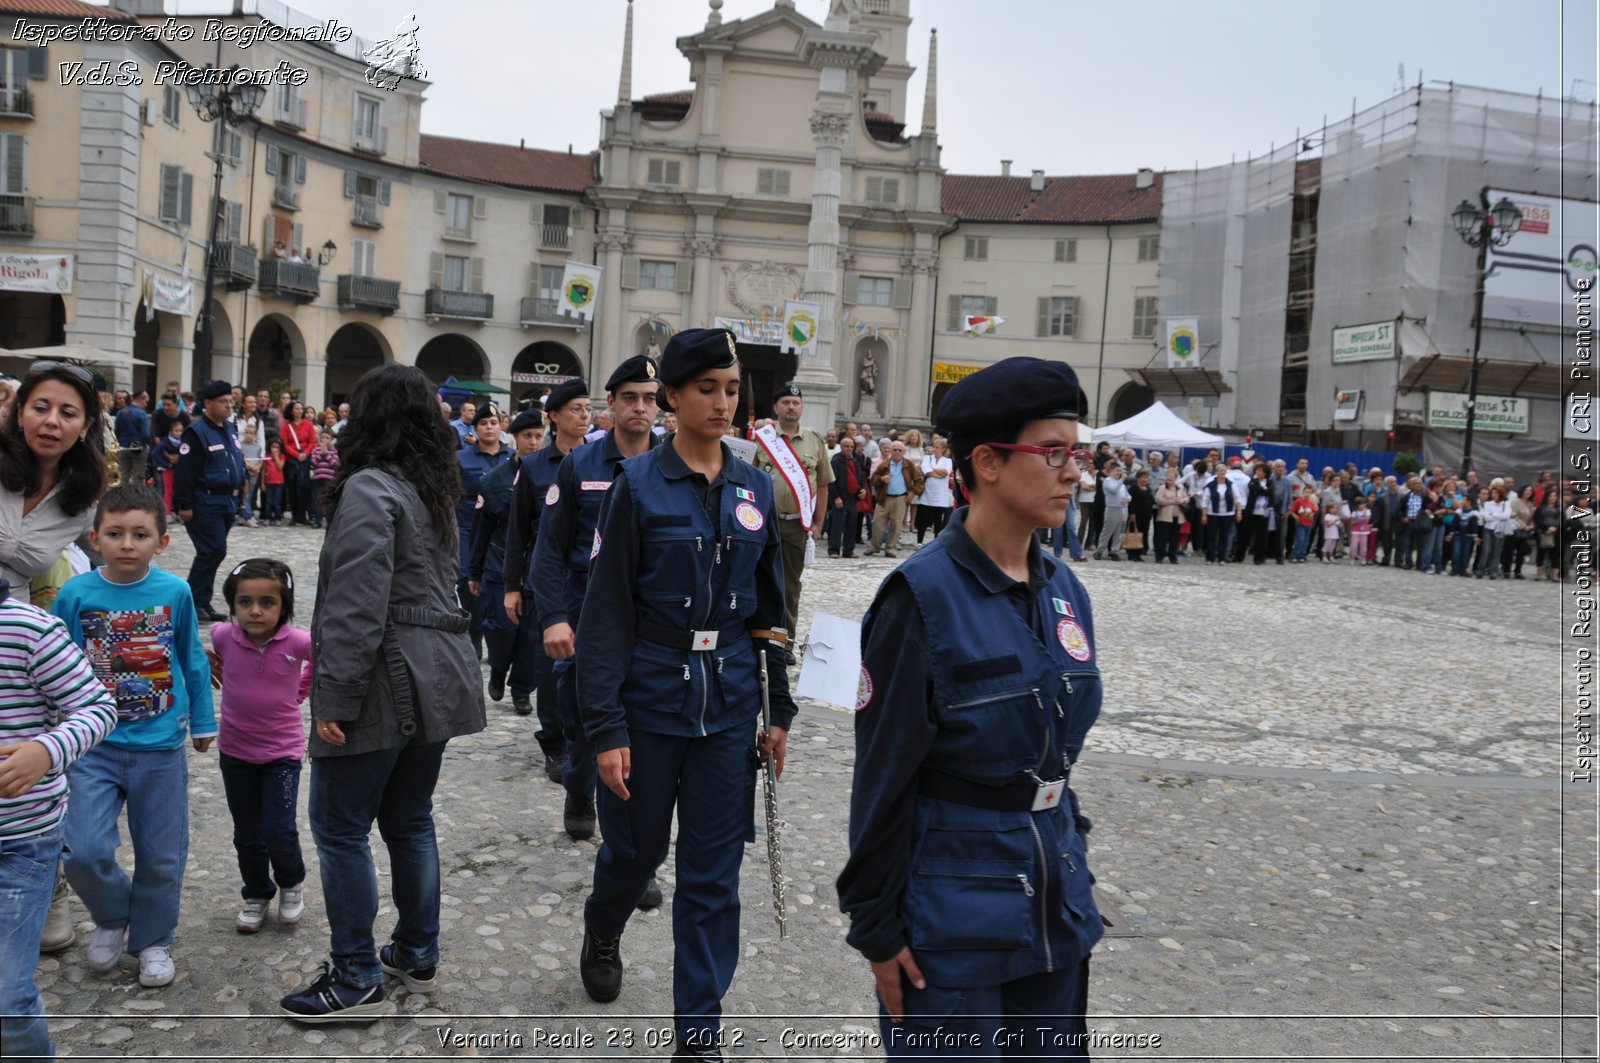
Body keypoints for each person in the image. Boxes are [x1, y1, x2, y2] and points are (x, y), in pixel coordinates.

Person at [838, 355, 1102, 1056]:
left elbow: (1057, 753)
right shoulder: (918, 600)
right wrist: (877, 927)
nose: (1073, 470)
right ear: (987, 461)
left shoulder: (1064, 590)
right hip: (951, 919)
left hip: (1054, 907)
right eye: (1053, 452)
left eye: (1076, 452)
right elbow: (883, 776)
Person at [574, 328, 795, 1058]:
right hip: (649, 701)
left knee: (710, 876)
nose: (723, 402)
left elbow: (769, 615)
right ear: (671, 396)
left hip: (728, 705)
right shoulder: (637, 486)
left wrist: (779, 711)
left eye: (732, 389)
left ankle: (697, 1035)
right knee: (636, 854)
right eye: (707, 388)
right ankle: (604, 923)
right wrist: (605, 726)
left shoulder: (753, 484)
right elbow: (605, 614)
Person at [280, 364, 486, 1023]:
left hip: (386, 674)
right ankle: (416, 950)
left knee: (339, 826)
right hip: (435, 673)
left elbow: (355, 604)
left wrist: (334, 695)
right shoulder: (427, 488)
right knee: (408, 817)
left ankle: (356, 975)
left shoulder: (371, 488)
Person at [54, 484, 217, 988]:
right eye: (116, 533)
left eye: (140, 534)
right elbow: (53, 665)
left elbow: (191, 656)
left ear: (161, 542)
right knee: (80, 849)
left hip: (160, 747)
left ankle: (152, 939)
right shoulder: (76, 595)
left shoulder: (175, 592)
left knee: (161, 853)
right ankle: (112, 914)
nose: (128, 543)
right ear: (94, 538)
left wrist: (205, 720)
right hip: (92, 747)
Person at [532, 356, 662, 869]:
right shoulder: (580, 465)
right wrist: (553, 617)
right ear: (611, 403)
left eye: (650, 398)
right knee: (585, 729)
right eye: (630, 397)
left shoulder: (671, 463)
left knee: (640, 735)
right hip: (586, 618)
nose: (640, 407)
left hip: (648, 624)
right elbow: (549, 547)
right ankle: (577, 789)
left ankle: (629, 855)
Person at [0, 582, 117, 1063]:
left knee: (6, 1001)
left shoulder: (29, 628)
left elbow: (98, 707)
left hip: (21, 842)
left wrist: (46, 750)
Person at [211, 558, 312, 934]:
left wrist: (301, 691)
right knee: (246, 831)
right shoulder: (223, 635)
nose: (255, 610)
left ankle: (291, 883)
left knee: (279, 829)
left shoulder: (299, 641)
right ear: (233, 604)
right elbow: (216, 660)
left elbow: (321, 662)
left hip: (281, 754)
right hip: (235, 751)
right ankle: (256, 891)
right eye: (245, 601)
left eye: (267, 602)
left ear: (284, 605)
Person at [504, 380, 591, 774]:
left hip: (592, 580)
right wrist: (510, 587)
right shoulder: (535, 466)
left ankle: (590, 735)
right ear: (553, 416)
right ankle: (555, 742)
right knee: (551, 665)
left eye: (587, 408)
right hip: (549, 581)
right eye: (575, 408)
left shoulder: (599, 459)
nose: (584, 415)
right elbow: (517, 531)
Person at [468, 409, 545, 710]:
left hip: (537, 567)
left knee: (530, 635)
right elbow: (481, 529)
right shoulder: (494, 479)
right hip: (500, 564)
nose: (534, 442)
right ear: (514, 437)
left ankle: (522, 689)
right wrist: (474, 569)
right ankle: (498, 668)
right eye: (528, 436)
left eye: (539, 436)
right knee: (501, 628)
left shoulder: (552, 474)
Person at [752, 383, 831, 662]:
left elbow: (822, 485)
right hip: (763, 524)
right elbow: (748, 480)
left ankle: (783, 643)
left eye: (795, 403)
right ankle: (758, 639)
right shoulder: (762, 440)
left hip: (797, 525)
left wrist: (818, 523)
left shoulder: (814, 441)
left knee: (790, 586)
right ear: (776, 407)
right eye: (785, 402)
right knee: (758, 580)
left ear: (802, 407)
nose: (791, 407)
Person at [172, 381, 246, 621]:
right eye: (223, 402)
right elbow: (185, 471)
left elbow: (236, 460)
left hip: (226, 501)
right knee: (212, 550)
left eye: (230, 402)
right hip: (205, 500)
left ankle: (203, 602)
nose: (228, 406)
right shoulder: (196, 432)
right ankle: (192, 601)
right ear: (208, 404)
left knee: (213, 553)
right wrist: (184, 504)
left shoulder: (229, 428)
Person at [455, 404, 511, 660]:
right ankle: (474, 631)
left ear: (501, 426)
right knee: (467, 581)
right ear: (475, 429)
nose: (489, 427)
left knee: (498, 583)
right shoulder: (461, 458)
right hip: (468, 526)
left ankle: (495, 634)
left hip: (503, 530)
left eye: (493, 423)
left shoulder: (512, 457)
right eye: (483, 423)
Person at [865, 440, 923, 557]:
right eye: (894, 450)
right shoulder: (885, 464)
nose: (897, 452)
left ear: (903, 452)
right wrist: (881, 479)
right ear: (891, 451)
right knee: (877, 523)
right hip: (884, 498)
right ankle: (875, 546)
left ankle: (890, 548)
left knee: (896, 525)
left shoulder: (908, 464)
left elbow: (919, 481)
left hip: (900, 498)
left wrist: (913, 492)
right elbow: (873, 479)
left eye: (899, 450)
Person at [829, 435, 869, 558]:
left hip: (853, 498)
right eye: (847, 446)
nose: (849, 448)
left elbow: (861, 477)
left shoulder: (856, 461)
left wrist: (862, 490)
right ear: (841, 447)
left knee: (851, 525)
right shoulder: (836, 461)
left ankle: (848, 550)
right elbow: (831, 481)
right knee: (837, 525)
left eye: (852, 446)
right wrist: (836, 497)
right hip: (841, 497)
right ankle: (834, 550)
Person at [280, 401, 315, 526]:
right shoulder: (286, 426)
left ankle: (302, 514)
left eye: (301, 408)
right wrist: (296, 454)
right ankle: (295, 515)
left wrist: (305, 453)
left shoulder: (308, 424)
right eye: (296, 408)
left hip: (305, 460)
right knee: (292, 488)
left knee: (304, 487)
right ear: (291, 410)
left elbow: (312, 442)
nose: (299, 411)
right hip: (292, 460)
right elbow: (284, 444)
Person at [915, 436, 955, 543]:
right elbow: (926, 470)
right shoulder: (927, 458)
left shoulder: (948, 461)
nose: (935, 449)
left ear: (943, 449)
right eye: (934, 447)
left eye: (937, 447)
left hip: (940, 495)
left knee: (938, 521)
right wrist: (937, 473)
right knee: (923, 519)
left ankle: (936, 541)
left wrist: (932, 470)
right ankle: (919, 541)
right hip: (927, 494)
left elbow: (945, 472)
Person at [113, 390, 152, 488]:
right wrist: (148, 444)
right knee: (137, 477)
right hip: (138, 448)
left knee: (123, 476)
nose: (146, 404)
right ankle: (135, 500)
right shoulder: (142, 414)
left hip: (123, 447)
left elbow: (116, 431)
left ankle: (120, 499)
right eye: (146, 401)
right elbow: (146, 434)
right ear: (141, 399)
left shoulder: (120, 413)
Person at [1094, 460, 1128, 560]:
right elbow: (1113, 490)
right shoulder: (1107, 481)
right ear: (1111, 471)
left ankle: (1114, 551)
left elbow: (1128, 495)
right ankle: (1100, 550)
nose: (1119, 473)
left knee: (1119, 532)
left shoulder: (1122, 484)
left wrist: (1127, 499)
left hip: (1122, 509)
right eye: (1117, 470)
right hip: (1112, 509)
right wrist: (1121, 480)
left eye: (1120, 471)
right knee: (1108, 530)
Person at [1153, 468, 1187, 563]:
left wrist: (1182, 500)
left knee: (1174, 538)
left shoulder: (1180, 488)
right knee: (1162, 537)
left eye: (1171, 477)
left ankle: (1173, 556)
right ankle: (1159, 556)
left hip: (1177, 516)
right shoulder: (1162, 488)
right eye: (1168, 477)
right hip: (1165, 516)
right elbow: (1158, 499)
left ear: (1175, 478)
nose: (1169, 479)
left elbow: (1186, 498)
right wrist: (1171, 501)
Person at [308, 431, 339, 528]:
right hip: (318, 479)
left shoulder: (334, 451)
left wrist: (327, 455)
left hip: (329, 479)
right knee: (317, 499)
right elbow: (313, 462)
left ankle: (330, 521)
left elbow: (335, 464)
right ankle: (317, 520)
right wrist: (321, 453)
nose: (325, 440)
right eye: (323, 438)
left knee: (329, 500)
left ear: (331, 440)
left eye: (327, 438)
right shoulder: (316, 450)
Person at [1125, 467, 1155, 561]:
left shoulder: (1148, 488)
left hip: (1146, 516)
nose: (1145, 479)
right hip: (1136, 515)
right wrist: (1132, 513)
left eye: (1146, 478)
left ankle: (1139, 553)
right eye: (1143, 477)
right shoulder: (1133, 488)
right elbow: (1131, 502)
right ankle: (1132, 553)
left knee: (1143, 534)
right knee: (1134, 533)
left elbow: (1151, 501)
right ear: (1138, 478)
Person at [1289, 487, 1318, 562]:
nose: (1307, 494)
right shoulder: (1298, 501)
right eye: (1306, 492)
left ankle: (1302, 555)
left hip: (1309, 523)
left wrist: (1312, 515)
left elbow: (1314, 511)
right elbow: (1292, 511)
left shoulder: (1311, 503)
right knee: (1300, 539)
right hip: (1300, 523)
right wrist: (1295, 516)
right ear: (1303, 492)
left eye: (1309, 492)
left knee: (1306, 540)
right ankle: (1294, 555)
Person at [262, 440, 287, 525]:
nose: (275, 449)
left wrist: (276, 457)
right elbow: (263, 470)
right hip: (268, 482)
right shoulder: (267, 457)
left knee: (277, 502)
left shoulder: (282, 456)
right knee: (268, 502)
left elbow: (280, 466)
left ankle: (277, 518)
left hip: (279, 483)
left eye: (277, 447)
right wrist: (262, 483)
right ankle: (267, 518)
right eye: (273, 447)